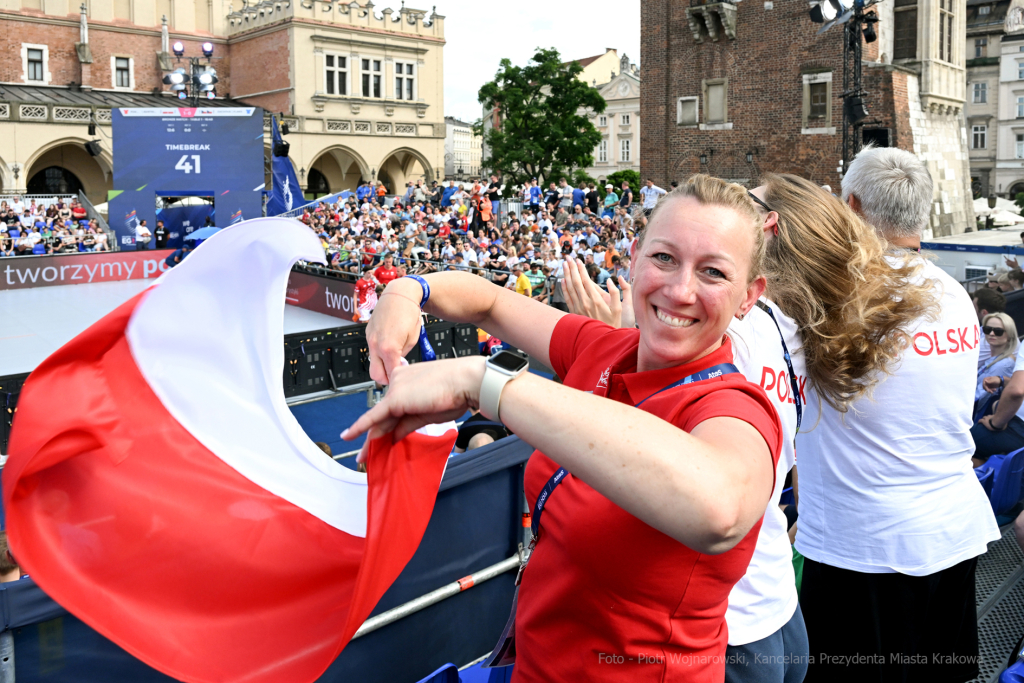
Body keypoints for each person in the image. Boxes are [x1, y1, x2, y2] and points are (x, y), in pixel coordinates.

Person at [349, 174, 783, 681]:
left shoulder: (734, 408)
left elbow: (719, 509)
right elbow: (487, 301)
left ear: (749, 296)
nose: (680, 289)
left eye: (712, 272)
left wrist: (483, 383)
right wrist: (406, 291)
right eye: (664, 258)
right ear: (635, 256)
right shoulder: (601, 347)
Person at [798, 146, 999, 683]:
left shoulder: (838, 298)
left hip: (864, 548)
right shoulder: (955, 294)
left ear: (854, 206)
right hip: (952, 532)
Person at [974, 312, 1018, 411]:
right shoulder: (996, 359)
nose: (991, 334)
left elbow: (981, 399)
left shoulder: (1004, 364)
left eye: (998, 331)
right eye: (987, 330)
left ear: (1009, 335)